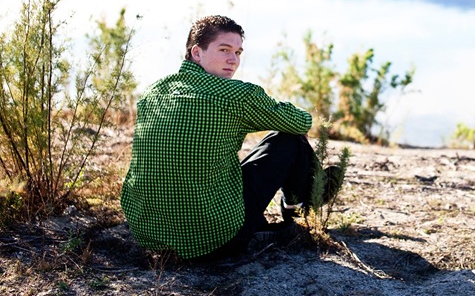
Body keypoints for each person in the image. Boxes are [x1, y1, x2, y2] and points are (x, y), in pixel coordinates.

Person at [120, 15, 340, 262]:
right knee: (289, 139)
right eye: (224, 50)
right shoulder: (236, 95)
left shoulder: (154, 92)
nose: (233, 60)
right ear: (196, 53)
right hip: (215, 238)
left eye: (238, 52)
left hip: (148, 234)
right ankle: (299, 206)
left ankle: (301, 200)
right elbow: (301, 122)